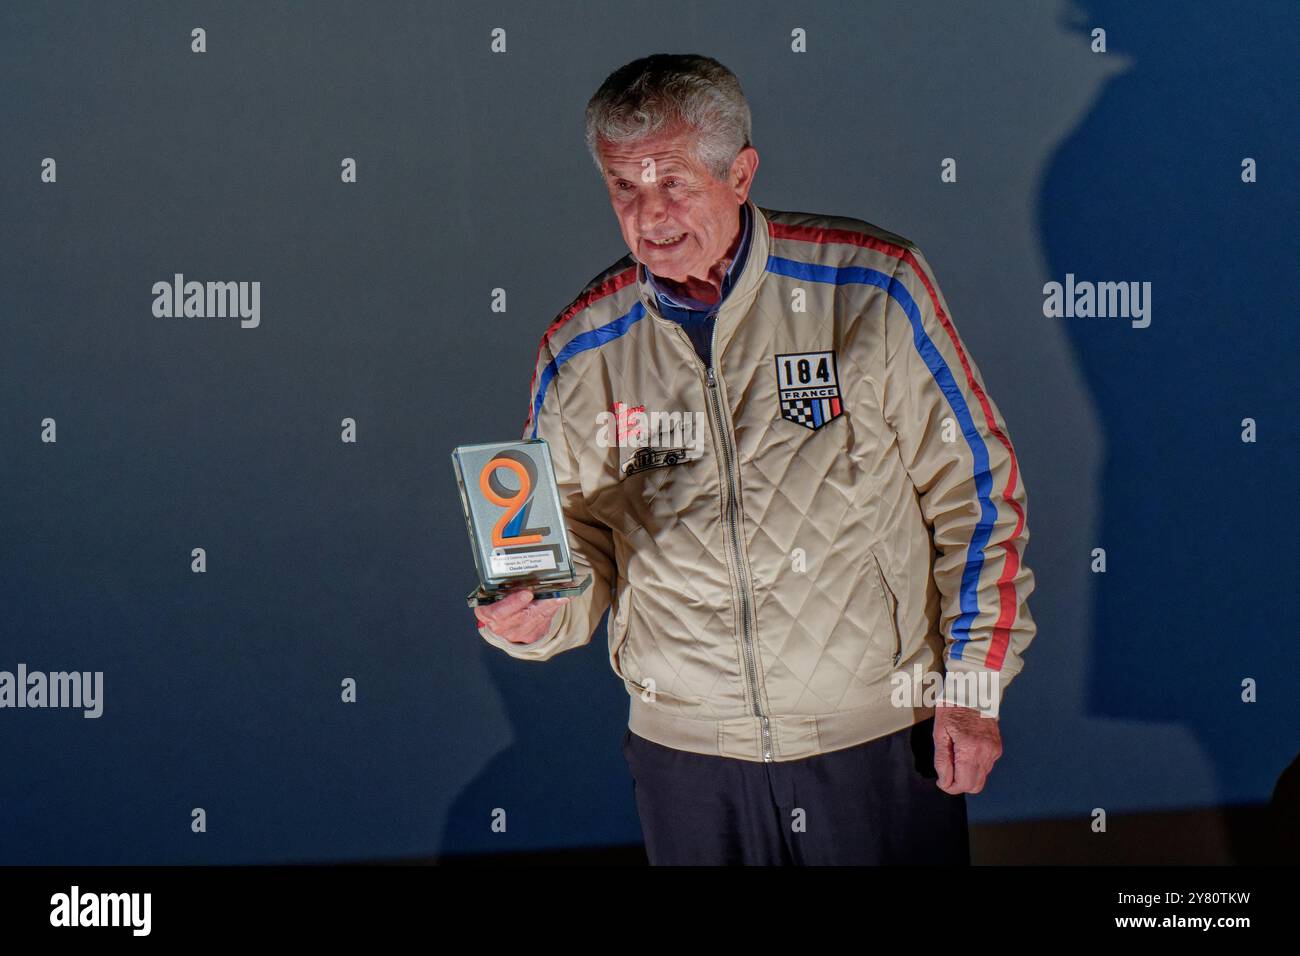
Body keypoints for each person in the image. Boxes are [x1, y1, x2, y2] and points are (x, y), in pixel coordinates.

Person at [473, 53, 1038, 865]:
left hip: (880, 740)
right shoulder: (581, 349)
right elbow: (574, 556)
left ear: (740, 174)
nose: (648, 217)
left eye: (672, 183)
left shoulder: (872, 287)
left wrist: (975, 690)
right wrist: (533, 616)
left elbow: (980, 495)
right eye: (623, 188)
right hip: (686, 763)